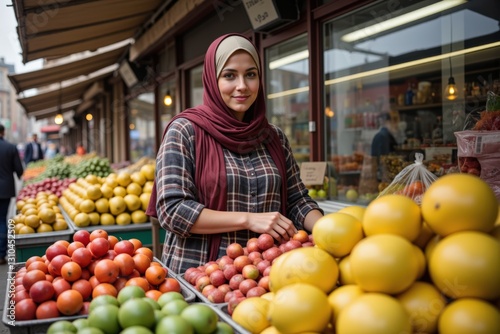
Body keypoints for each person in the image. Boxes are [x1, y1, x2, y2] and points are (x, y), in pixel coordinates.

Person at [147, 33, 324, 274]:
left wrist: (329, 229)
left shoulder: (273, 137)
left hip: (263, 274)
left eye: (251, 75)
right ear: (212, 79)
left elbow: (297, 201)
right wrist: (249, 219)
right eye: (229, 75)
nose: (242, 86)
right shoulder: (186, 131)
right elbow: (172, 211)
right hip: (201, 276)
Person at [0, 124, 24, 264]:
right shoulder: (10, 147)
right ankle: (1, 254)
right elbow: (19, 169)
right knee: (2, 219)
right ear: (3, 132)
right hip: (5, 189)